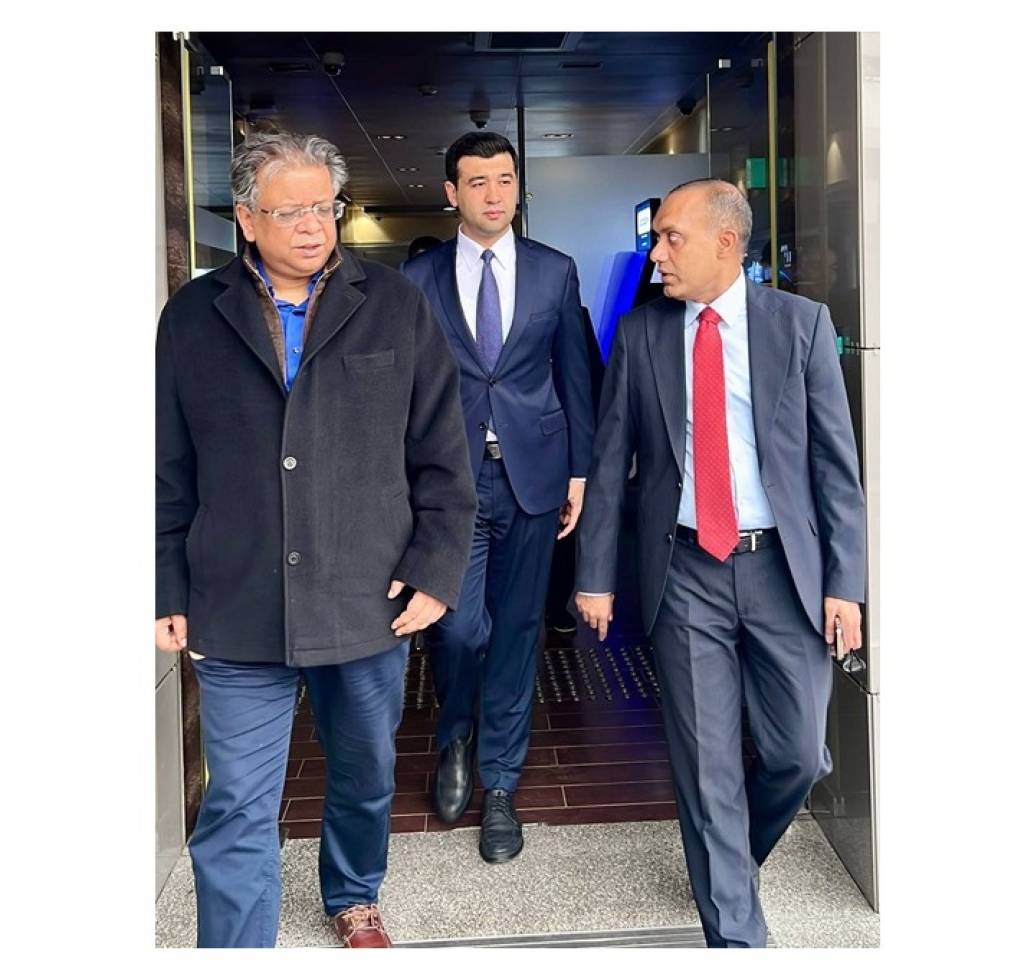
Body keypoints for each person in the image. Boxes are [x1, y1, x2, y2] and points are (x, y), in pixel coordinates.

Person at [155, 131, 476, 948]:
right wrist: (165, 584)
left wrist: (436, 569)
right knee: (235, 802)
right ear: (246, 219)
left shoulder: (395, 303)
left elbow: (442, 451)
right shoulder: (193, 316)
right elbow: (167, 464)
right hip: (237, 599)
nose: (311, 225)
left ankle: (355, 891)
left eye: (324, 208)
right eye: (289, 210)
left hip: (368, 595)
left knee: (365, 775)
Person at [575, 179, 865, 948]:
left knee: (798, 754)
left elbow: (836, 468)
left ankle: (730, 856)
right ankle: (737, 936)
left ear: (726, 243)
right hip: (685, 571)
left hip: (783, 570)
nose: (657, 255)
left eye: (672, 238)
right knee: (706, 768)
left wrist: (846, 583)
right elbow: (610, 460)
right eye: (657, 240)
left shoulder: (799, 325)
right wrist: (594, 574)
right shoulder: (640, 333)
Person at [401, 131, 593, 862]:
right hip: (449, 483)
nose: (493, 194)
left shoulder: (554, 270)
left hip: (533, 476)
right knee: (455, 628)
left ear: (518, 188)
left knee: (516, 630)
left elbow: (575, 374)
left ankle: (502, 781)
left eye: (505, 180)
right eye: (477, 181)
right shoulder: (417, 277)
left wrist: (579, 471)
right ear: (452, 193)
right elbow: (403, 389)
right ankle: (455, 735)